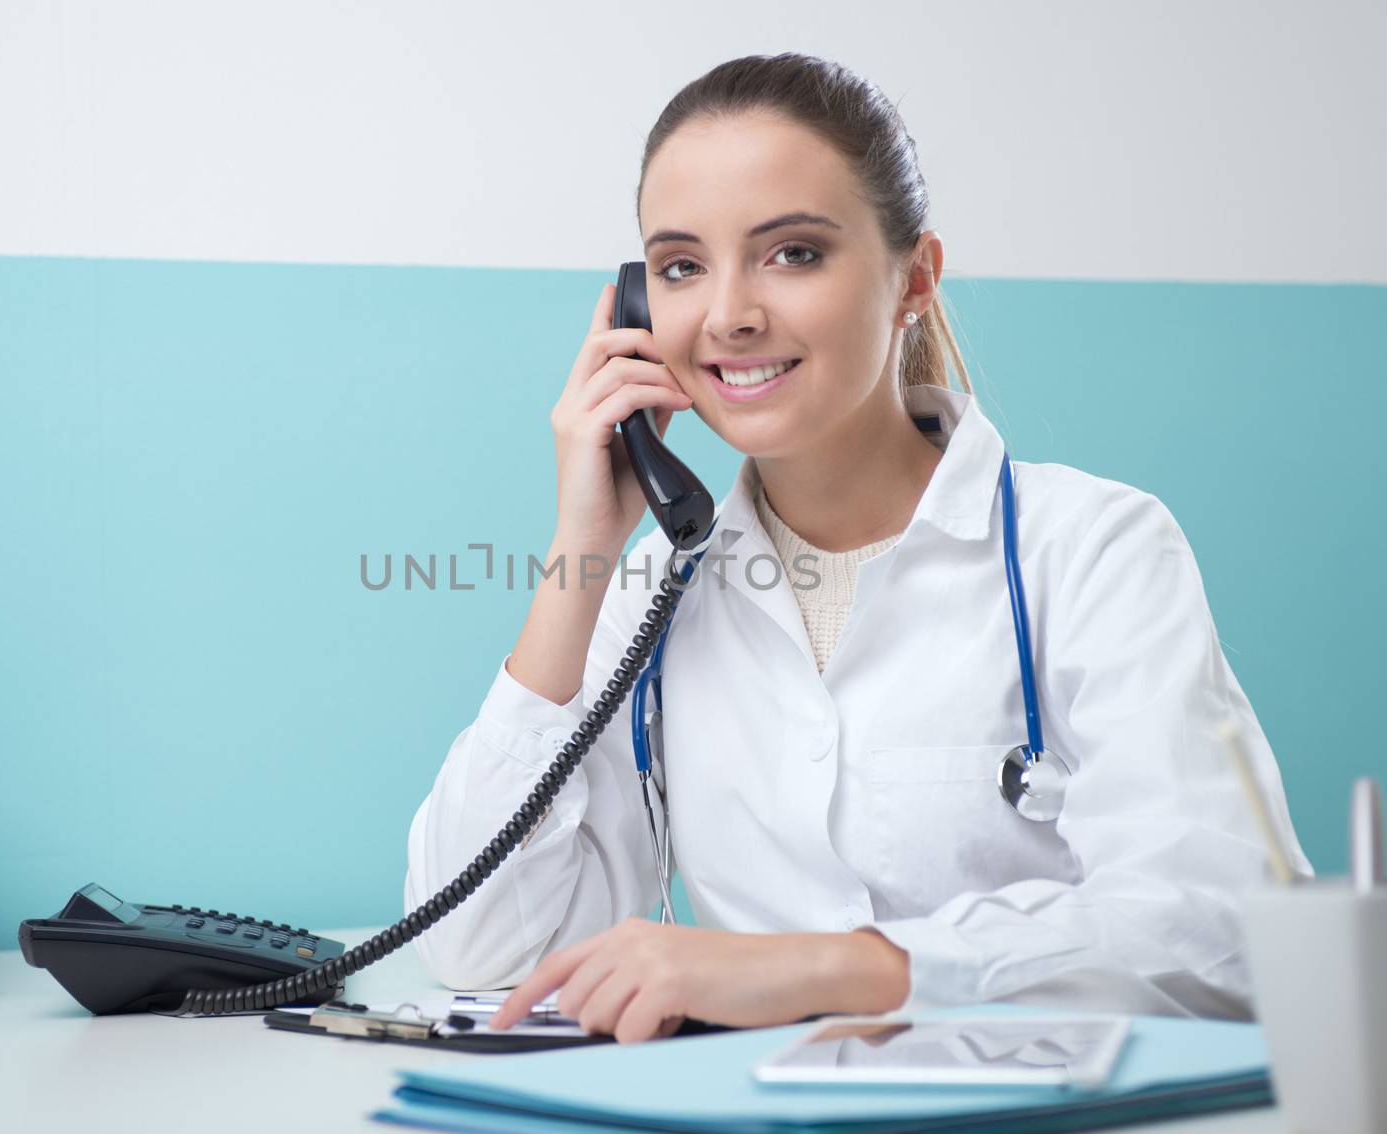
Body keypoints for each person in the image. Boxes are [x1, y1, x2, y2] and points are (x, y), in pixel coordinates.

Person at [404, 52, 1312, 1044]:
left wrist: (821, 969)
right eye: (679, 267)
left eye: (791, 253)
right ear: (633, 310)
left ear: (912, 278)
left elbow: (1220, 931)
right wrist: (579, 550)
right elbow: (479, 950)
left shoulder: (1093, 550)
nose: (728, 315)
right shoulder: (654, 596)